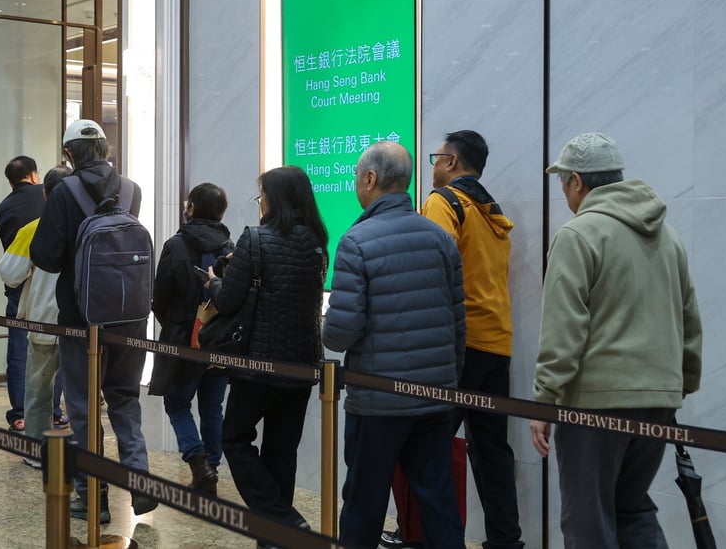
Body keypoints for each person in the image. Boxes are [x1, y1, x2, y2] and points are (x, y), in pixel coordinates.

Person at [530, 132, 702, 548]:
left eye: (563, 182)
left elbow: (563, 329)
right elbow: (689, 321)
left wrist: (544, 401)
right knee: (632, 509)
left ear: (576, 181)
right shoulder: (667, 236)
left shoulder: (578, 235)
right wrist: (676, 385)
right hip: (658, 400)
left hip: (594, 405)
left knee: (588, 521)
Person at [323, 141, 466, 549]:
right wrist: (447, 381)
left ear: (370, 179)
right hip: (435, 395)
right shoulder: (440, 238)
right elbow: (458, 322)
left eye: (355, 177)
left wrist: (324, 326)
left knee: (364, 501)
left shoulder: (356, 241)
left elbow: (340, 333)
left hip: (379, 401)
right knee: (437, 501)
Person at [29, 119, 156, 522]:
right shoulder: (132, 189)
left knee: (83, 407)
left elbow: (45, 256)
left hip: (82, 317)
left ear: (68, 154)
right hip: (131, 315)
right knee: (124, 398)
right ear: (104, 148)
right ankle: (139, 480)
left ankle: (92, 496)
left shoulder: (64, 191)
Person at [205, 165, 326, 542]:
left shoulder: (255, 240)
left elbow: (228, 299)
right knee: (281, 452)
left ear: (274, 199)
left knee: (234, 438)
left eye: (262, 196)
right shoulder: (318, 243)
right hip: (302, 365)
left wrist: (212, 283)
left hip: (258, 363)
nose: (261, 204)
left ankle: (283, 522)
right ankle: (276, 538)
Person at [423, 130, 523, 549]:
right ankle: (505, 541)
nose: (432, 166)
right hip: (497, 343)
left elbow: (433, 266)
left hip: (459, 345)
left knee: (428, 448)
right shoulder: (491, 213)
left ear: (450, 161)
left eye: (436, 157)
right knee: (492, 451)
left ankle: (432, 537)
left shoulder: (443, 202)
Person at [149, 182, 233, 495]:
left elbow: (159, 297)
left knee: (177, 403)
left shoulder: (176, 245)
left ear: (192, 209)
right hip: (220, 342)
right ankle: (212, 467)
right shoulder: (231, 246)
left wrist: (174, 324)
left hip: (183, 340)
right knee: (213, 408)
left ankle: (199, 463)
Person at [0, 165, 71, 465]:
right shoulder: (90, 225)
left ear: (45, 192)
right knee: (78, 392)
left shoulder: (33, 229)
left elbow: (9, 273)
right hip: (83, 323)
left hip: (43, 319)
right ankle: (85, 454)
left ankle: (38, 454)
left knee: (39, 391)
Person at [0, 155, 44, 432]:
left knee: (19, 348)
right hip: (50, 285)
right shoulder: (50, 197)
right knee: (54, 344)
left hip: (19, 285)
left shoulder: (3, 209)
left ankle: (20, 412)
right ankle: (55, 410)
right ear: (35, 175)